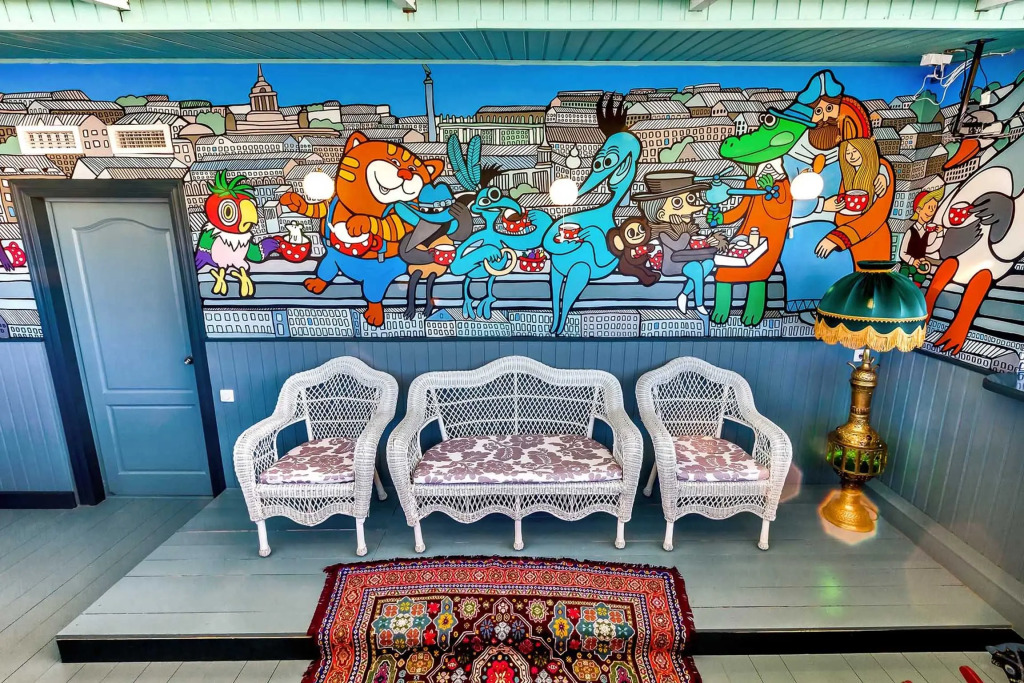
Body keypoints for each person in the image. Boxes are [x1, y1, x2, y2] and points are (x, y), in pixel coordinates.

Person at [815, 137, 894, 266]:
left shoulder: (881, 170)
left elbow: (875, 217)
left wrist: (837, 238)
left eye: (855, 151)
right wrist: (826, 206)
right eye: (847, 152)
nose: (851, 156)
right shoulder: (847, 173)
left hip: (872, 240)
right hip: (848, 242)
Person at [899, 188, 944, 286]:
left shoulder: (928, 231)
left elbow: (932, 247)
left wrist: (940, 233)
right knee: (903, 275)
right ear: (919, 210)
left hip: (921, 264)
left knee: (920, 277)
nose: (931, 211)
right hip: (908, 264)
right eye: (929, 207)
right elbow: (902, 252)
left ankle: (915, 291)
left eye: (934, 208)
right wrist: (912, 261)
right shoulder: (910, 231)